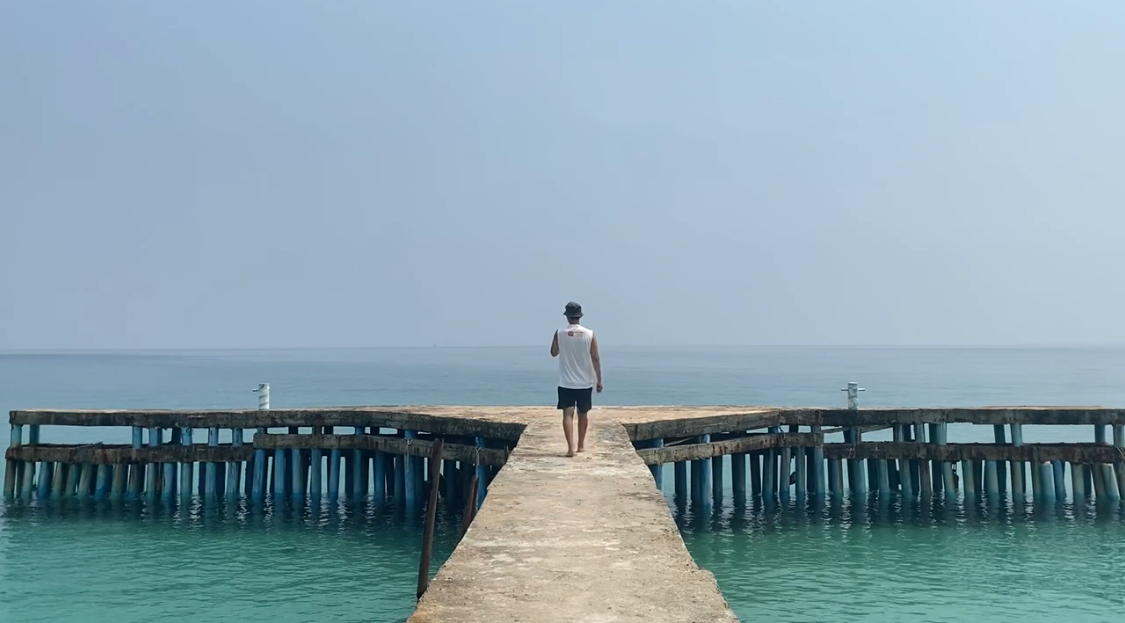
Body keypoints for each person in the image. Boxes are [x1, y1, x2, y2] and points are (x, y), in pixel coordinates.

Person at [550, 302, 602, 457]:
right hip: (585, 382)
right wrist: (599, 380)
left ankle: (570, 449)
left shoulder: (559, 333)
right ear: (580, 316)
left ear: (567, 316)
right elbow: (595, 358)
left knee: (567, 414)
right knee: (583, 413)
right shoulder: (589, 334)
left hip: (566, 382)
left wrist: (565, 345)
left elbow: (553, 352)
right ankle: (581, 446)